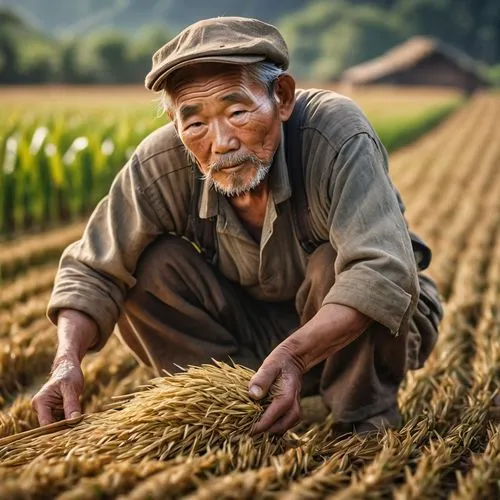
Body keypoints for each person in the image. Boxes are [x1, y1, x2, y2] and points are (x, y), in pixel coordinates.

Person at [32, 16, 443, 435]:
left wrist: (297, 357)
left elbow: (382, 270)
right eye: (195, 123)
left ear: (282, 98)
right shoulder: (161, 164)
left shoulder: (333, 134)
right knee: (149, 266)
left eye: (237, 111)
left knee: (333, 263)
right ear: (176, 125)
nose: (222, 142)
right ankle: (237, 404)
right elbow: (91, 269)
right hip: (254, 334)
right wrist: (66, 361)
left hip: (355, 337)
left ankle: (362, 416)